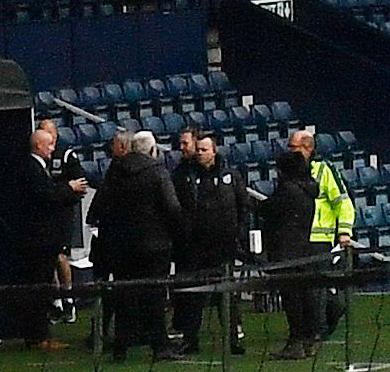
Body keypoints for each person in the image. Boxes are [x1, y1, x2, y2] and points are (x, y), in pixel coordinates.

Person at [261, 121, 356, 356]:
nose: (290, 151)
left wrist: (344, 231)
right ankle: (304, 335)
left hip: (318, 240)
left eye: (294, 147)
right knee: (298, 292)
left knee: (314, 292)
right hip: (296, 240)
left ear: (307, 148)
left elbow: (342, 203)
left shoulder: (325, 171)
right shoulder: (291, 174)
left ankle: (313, 335)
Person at [91, 127, 180, 356]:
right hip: (154, 245)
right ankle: (159, 344)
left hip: (122, 246)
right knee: (155, 294)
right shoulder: (157, 172)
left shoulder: (115, 173)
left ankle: (121, 343)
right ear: (152, 150)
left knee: (125, 294)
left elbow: (102, 206)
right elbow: (171, 208)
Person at [169, 127, 245, 357]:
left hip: (224, 247)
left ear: (214, 151)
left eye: (204, 149)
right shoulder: (184, 176)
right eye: (198, 149)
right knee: (194, 297)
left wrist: (238, 234)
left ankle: (233, 338)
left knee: (228, 295)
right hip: (196, 248)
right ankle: (190, 339)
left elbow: (243, 206)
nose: (200, 153)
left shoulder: (231, 175)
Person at [18, 115, 90, 351]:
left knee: (41, 286)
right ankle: (38, 337)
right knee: (38, 287)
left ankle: (40, 334)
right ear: (39, 145)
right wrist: (68, 188)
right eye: (49, 144)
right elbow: (45, 195)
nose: (53, 149)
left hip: (43, 239)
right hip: (38, 240)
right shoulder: (32, 168)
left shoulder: (39, 168)